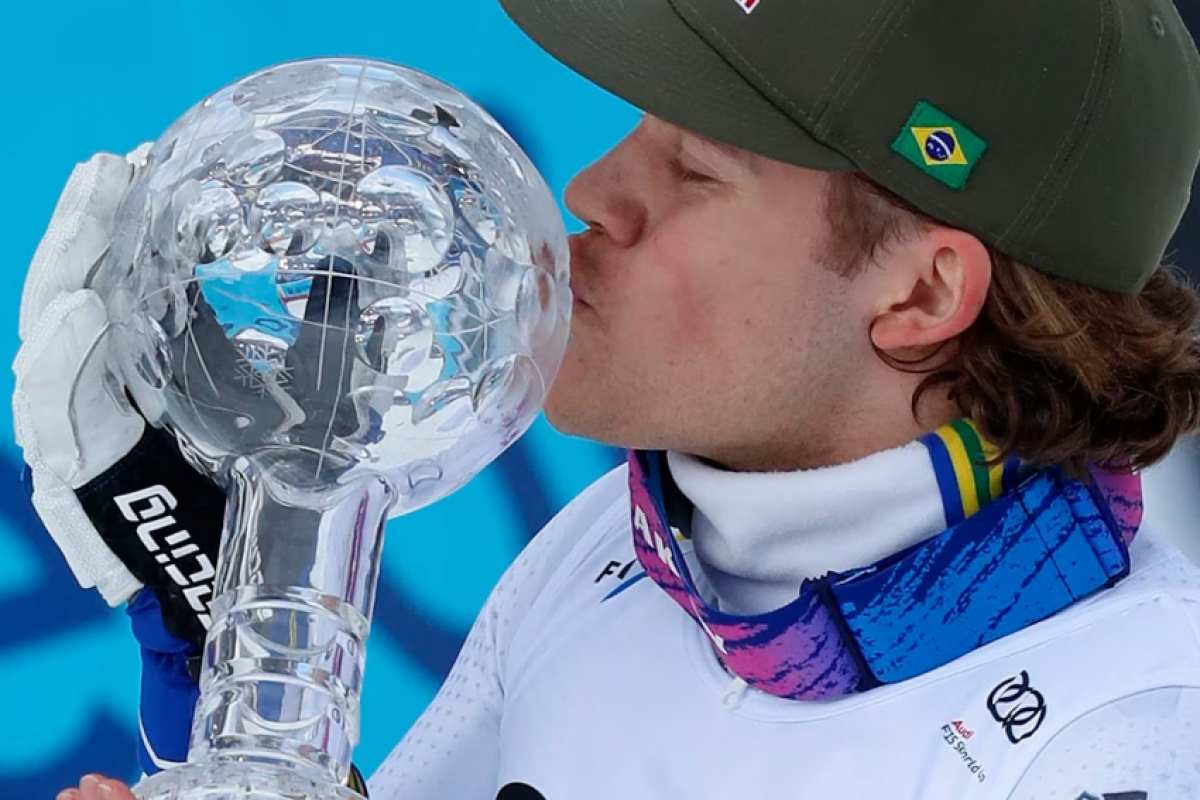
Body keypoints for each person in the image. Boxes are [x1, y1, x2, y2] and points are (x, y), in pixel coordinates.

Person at [20, 0, 1200, 798]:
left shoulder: (1130, 738)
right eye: (643, 131)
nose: (591, 188)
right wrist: (227, 621)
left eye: (696, 168)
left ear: (923, 289)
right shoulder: (613, 555)